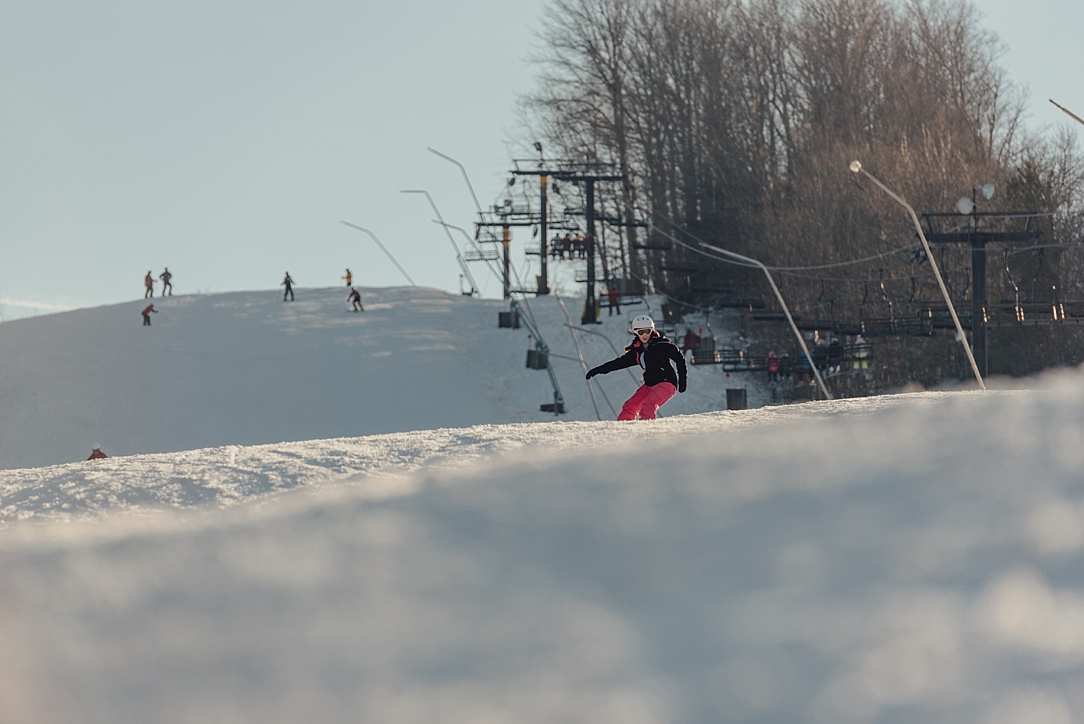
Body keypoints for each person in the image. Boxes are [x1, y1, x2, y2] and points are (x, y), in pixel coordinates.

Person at [585, 315, 687, 420]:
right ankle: (622, 430)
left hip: (666, 383)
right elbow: (618, 363)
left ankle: (646, 431)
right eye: (641, 332)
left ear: (652, 330)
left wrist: (682, 381)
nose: (644, 335)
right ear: (635, 332)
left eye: (647, 331)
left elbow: (680, 359)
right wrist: (597, 370)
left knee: (649, 404)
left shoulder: (662, 345)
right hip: (650, 384)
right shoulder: (637, 351)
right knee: (630, 405)